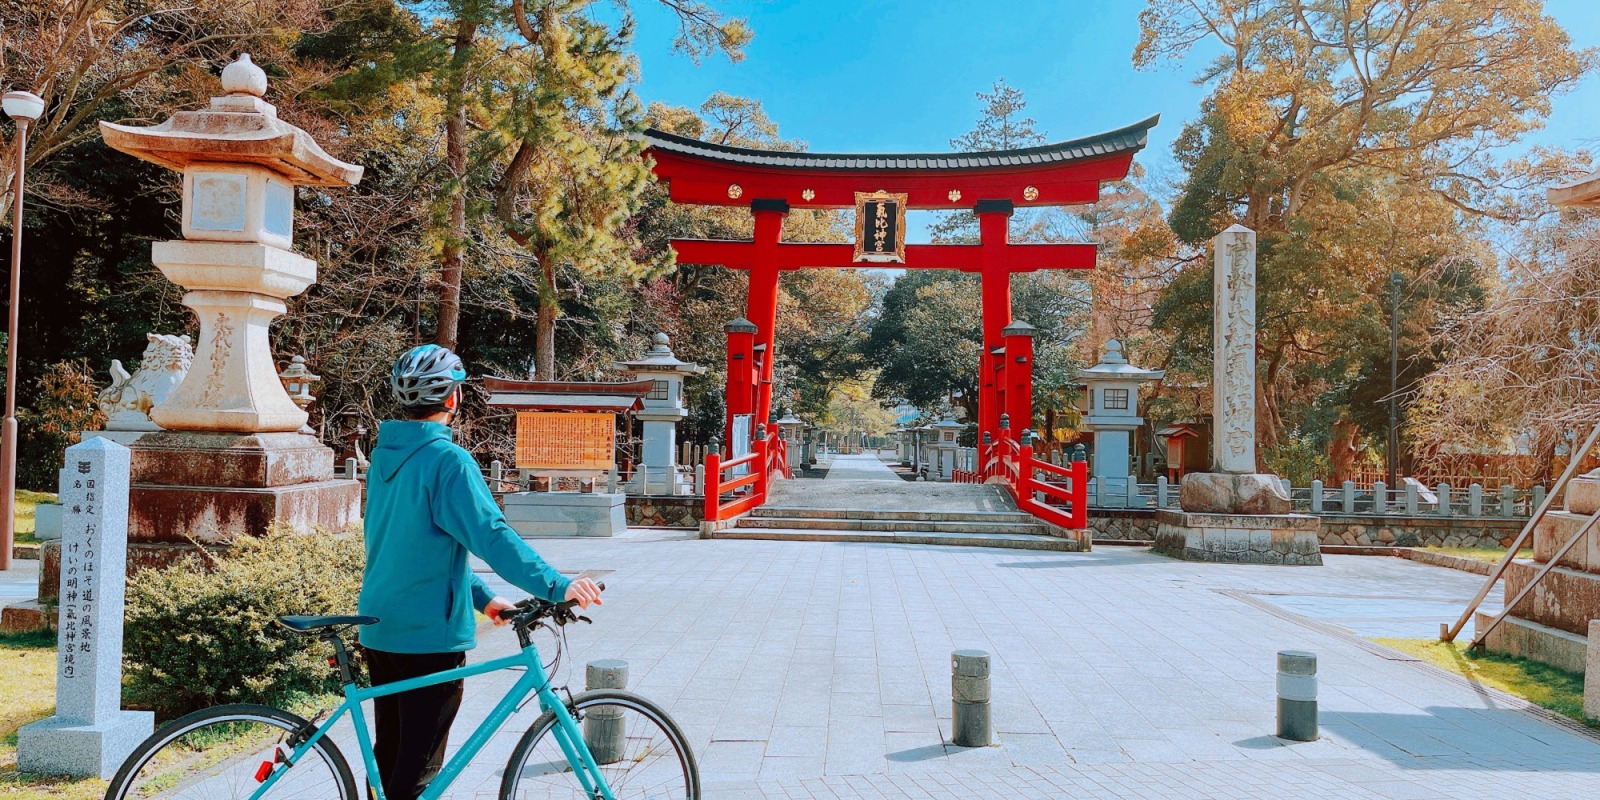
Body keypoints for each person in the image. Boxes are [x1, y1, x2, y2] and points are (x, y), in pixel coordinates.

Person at [358, 344, 602, 800]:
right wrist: (558, 584)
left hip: (380, 626)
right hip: (427, 636)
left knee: (391, 758)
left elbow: (411, 549)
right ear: (454, 397)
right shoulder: (448, 461)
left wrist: (483, 598)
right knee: (416, 772)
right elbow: (492, 538)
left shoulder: (383, 459)